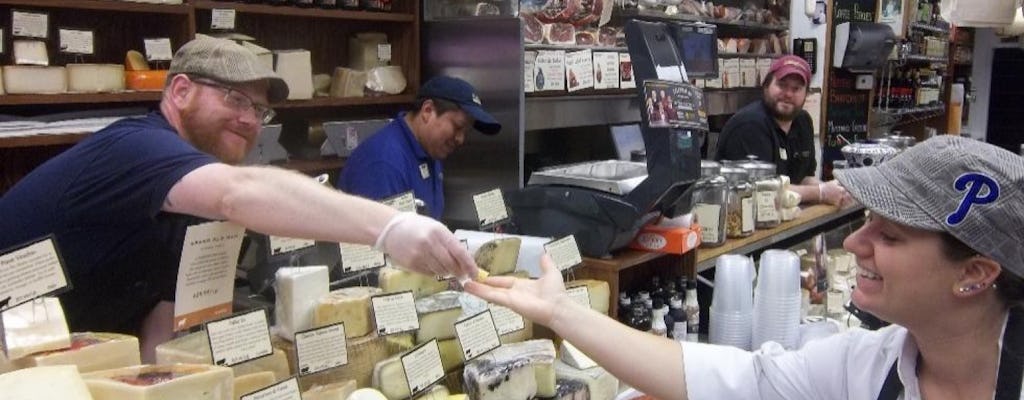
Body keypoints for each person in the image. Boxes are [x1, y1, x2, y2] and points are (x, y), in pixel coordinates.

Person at [0, 37, 478, 361]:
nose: (251, 120)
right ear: (181, 91)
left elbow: (162, 317)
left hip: (73, 363)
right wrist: (390, 228)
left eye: (260, 109)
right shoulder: (136, 146)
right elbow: (239, 192)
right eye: (234, 99)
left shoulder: (190, 200)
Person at [467, 135, 1024, 400]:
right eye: (866, 220)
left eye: (891, 235)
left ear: (974, 274)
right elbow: (726, 379)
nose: (856, 241)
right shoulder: (864, 368)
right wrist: (561, 311)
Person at [337, 76, 501, 220]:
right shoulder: (383, 163)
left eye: (466, 132)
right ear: (427, 111)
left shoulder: (429, 149)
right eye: (458, 127)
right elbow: (380, 247)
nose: (460, 139)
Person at [714, 55, 848, 206]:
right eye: (782, 85)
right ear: (766, 86)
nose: (788, 94)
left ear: (806, 94)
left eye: (796, 88)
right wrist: (821, 192)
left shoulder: (803, 121)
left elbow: (803, 177)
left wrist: (836, 190)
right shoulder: (750, 126)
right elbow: (762, 191)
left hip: (786, 218)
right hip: (745, 219)